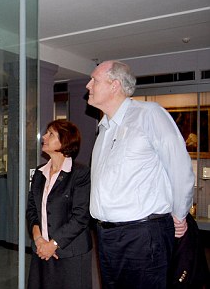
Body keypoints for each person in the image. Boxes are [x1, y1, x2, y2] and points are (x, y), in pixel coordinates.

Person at [86, 60, 194, 288]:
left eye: (94, 79)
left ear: (114, 85)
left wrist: (179, 214)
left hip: (143, 236)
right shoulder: (104, 128)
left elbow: (180, 167)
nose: (88, 85)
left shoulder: (149, 114)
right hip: (106, 236)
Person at [26, 119, 92, 289]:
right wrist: (39, 240)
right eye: (46, 133)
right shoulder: (39, 173)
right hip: (41, 251)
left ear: (65, 142)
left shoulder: (80, 173)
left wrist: (53, 245)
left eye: (51, 134)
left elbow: (81, 216)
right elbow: (32, 209)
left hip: (70, 253)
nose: (44, 138)